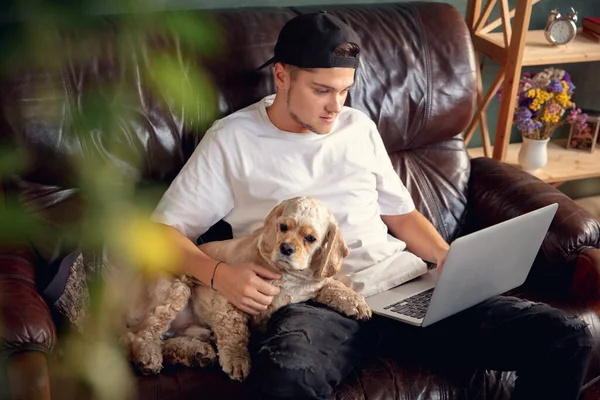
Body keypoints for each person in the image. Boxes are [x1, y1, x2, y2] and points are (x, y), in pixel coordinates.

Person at [151, 12, 593, 400]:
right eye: (322, 90)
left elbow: (400, 214)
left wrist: (447, 260)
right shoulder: (233, 140)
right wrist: (220, 275)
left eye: (345, 91)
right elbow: (162, 231)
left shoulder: (357, 126)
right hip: (311, 301)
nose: (334, 107)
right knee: (287, 376)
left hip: (402, 285)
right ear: (281, 76)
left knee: (566, 337)